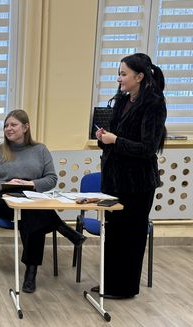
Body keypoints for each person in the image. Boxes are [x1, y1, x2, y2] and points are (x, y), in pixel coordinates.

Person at [0, 110, 86, 293]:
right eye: (6, 125)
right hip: (2, 200)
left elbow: (52, 179)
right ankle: (62, 230)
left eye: (13, 125)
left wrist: (31, 184)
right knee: (34, 212)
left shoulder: (40, 150)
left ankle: (31, 271)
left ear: (26, 127)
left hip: (31, 198)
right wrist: (6, 184)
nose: (8, 128)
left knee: (31, 217)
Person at [95, 53, 167, 299]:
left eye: (123, 74)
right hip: (114, 180)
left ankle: (124, 288)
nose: (119, 78)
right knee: (113, 234)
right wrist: (104, 138)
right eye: (119, 73)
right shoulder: (123, 100)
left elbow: (147, 148)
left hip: (137, 184)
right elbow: (116, 138)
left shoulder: (154, 104)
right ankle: (108, 283)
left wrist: (116, 140)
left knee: (130, 236)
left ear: (139, 77)